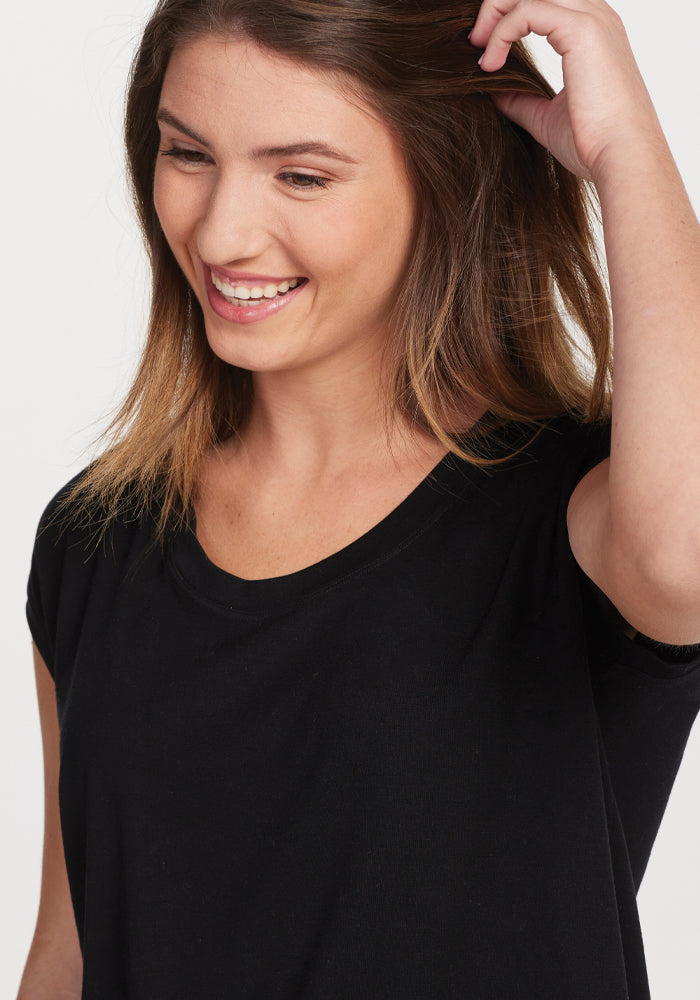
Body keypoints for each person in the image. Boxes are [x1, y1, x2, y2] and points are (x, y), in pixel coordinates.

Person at [17, 0, 700, 997]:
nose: (221, 230)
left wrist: (621, 146)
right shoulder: (95, 541)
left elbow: (683, 557)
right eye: (189, 154)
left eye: (301, 175)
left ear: (444, 183)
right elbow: (69, 957)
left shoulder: (572, 517)